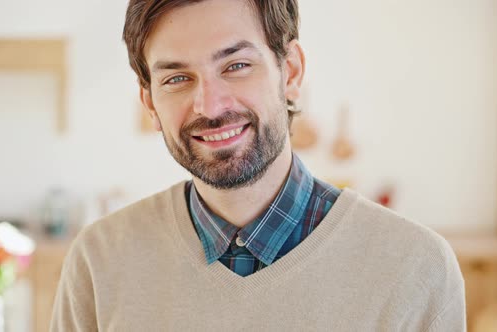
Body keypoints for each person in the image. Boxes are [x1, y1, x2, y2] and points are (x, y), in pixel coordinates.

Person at [50, 0, 466, 330]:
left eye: (236, 66)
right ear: (150, 104)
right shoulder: (98, 262)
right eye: (177, 78)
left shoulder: (416, 268)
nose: (210, 106)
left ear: (291, 72)